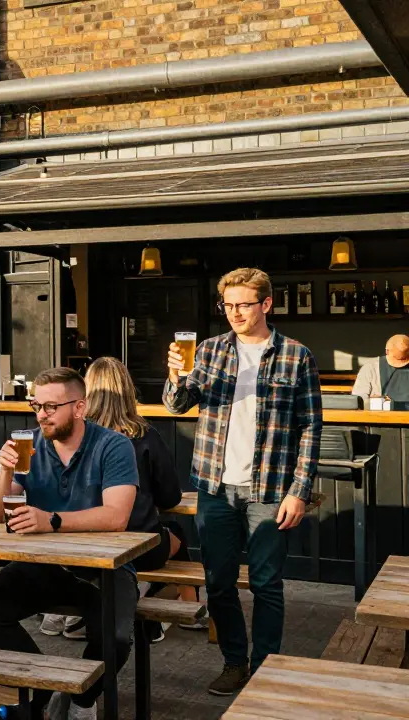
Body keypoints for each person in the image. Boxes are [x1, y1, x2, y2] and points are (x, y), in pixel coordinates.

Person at [164, 267, 322, 696]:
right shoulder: (210, 350)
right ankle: (234, 662)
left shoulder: (296, 355)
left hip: (270, 490)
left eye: (243, 304)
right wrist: (176, 375)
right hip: (215, 487)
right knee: (218, 582)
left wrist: (299, 490)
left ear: (266, 304)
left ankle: (265, 666)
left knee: (267, 583)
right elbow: (179, 406)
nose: (234, 312)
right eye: (227, 305)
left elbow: (310, 426)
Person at [0, 367, 139, 720]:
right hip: (44, 565)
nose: (41, 415)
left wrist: (53, 521)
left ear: (79, 407)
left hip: (104, 569)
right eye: (37, 405)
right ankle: (44, 688)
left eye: (51, 407)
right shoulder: (28, 445)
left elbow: (116, 516)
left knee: (117, 639)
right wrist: (4, 472)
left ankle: (81, 699)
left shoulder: (113, 445)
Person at [84, 356, 205, 643]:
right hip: (139, 545)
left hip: (87, 544)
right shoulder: (144, 435)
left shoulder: (78, 438)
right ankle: (181, 611)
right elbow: (170, 497)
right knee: (175, 534)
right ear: (128, 391)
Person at [352, 334, 409, 406]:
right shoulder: (370, 368)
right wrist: (373, 402)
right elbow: (359, 398)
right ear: (387, 351)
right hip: (379, 414)